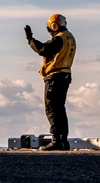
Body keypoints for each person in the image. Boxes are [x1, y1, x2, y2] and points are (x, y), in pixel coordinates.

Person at [25, 14, 76, 151]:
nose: (50, 31)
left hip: (55, 76)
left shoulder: (59, 38)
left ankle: (56, 140)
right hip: (65, 75)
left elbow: (43, 50)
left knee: (51, 108)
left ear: (54, 26)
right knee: (60, 108)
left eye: (50, 28)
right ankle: (64, 141)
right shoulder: (69, 37)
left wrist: (30, 40)